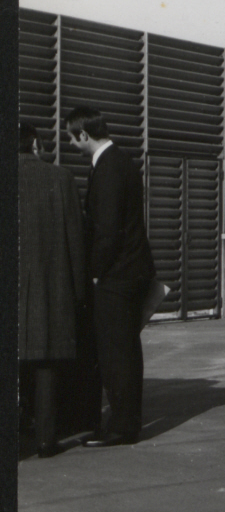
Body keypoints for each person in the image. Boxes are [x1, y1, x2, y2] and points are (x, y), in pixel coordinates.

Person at [65, 106, 157, 447]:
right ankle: (124, 421)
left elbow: (107, 230)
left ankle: (122, 427)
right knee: (125, 349)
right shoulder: (120, 161)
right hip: (130, 270)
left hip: (116, 275)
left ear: (84, 134)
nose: (71, 144)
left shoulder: (107, 168)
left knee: (115, 352)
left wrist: (94, 273)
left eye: (72, 138)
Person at [19, 122, 88, 457]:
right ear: (35, 144)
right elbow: (76, 239)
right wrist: (78, 291)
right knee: (46, 361)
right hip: (50, 288)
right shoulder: (61, 178)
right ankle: (46, 439)